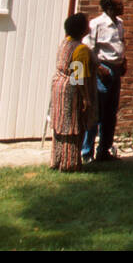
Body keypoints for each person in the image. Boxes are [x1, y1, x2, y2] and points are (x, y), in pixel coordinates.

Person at [81, 0, 127, 162]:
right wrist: (99, 67)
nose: (122, 7)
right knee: (96, 113)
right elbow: (88, 49)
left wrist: (124, 61)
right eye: (118, 4)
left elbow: (121, 43)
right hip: (102, 72)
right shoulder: (97, 24)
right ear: (109, 7)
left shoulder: (120, 23)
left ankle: (104, 150)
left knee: (110, 113)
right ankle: (87, 152)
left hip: (115, 70)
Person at [51, 13, 96, 172]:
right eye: (87, 24)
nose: (89, 27)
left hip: (58, 85)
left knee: (61, 123)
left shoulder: (65, 43)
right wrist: (85, 98)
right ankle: (69, 163)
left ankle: (57, 160)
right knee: (72, 125)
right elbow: (79, 76)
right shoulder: (80, 49)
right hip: (71, 89)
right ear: (81, 29)